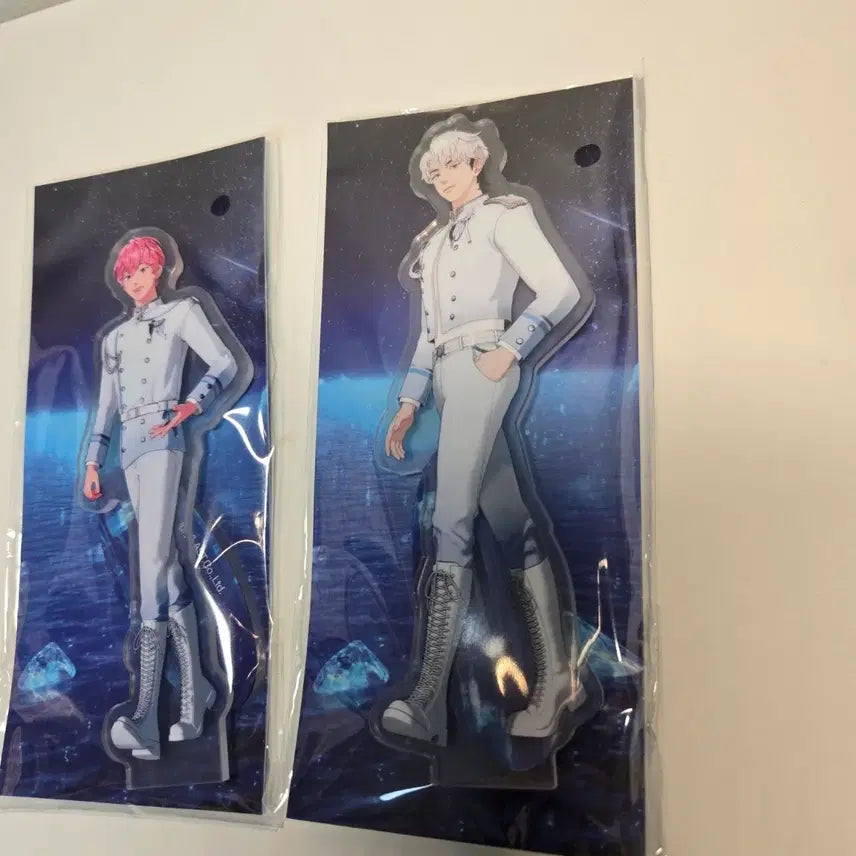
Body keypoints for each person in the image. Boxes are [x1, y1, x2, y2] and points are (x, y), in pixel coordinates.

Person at [382, 127, 588, 746]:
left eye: (453, 165)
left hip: (483, 364)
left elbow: (560, 289)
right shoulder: (434, 242)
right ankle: (560, 679)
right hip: (449, 375)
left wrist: (510, 347)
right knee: (508, 518)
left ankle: (428, 701)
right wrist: (409, 402)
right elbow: (428, 333)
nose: (442, 177)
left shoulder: (504, 216)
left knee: (450, 518)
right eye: (434, 170)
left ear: (476, 163)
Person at [83, 235, 237, 760]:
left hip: (164, 442)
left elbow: (223, 363)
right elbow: (105, 406)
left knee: (150, 566)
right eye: (126, 275)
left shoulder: (181, 313)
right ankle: (197, 695)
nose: (133, 281)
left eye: (141, 271)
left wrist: (191, 406)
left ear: (159, 270)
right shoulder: (115, 338)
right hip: (129, 449)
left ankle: (147, 715)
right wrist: (92, 461)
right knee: (166, 570)